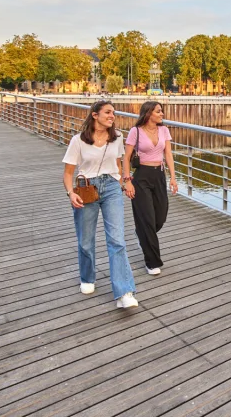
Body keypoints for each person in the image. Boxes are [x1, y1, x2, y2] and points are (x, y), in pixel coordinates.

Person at [62, 100, 138, 308]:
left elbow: (118, 163)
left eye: (113, 113)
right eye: (107, 112)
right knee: (86, 241)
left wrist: (125, 182)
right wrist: (70, 193)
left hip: (112, 187)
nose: (112, 116)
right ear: (95, 115)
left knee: (117, 240)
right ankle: (87, 277)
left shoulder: (118, 138)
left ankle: (125, 292)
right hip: (86, 189)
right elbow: (68, 174)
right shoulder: (78, 141)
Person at [122, 101, 178, 276]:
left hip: (159, 175)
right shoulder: (135, 131)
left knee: (160, 216)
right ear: (148, 113)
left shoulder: (164, 130)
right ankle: (152, 262)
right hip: (142, 177)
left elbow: (168, 154)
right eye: (158, 111)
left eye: (161, 111)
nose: (162, 114)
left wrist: (173, 178)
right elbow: (126, 157)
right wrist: (127, 180)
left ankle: (142, 234)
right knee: (147, 219)